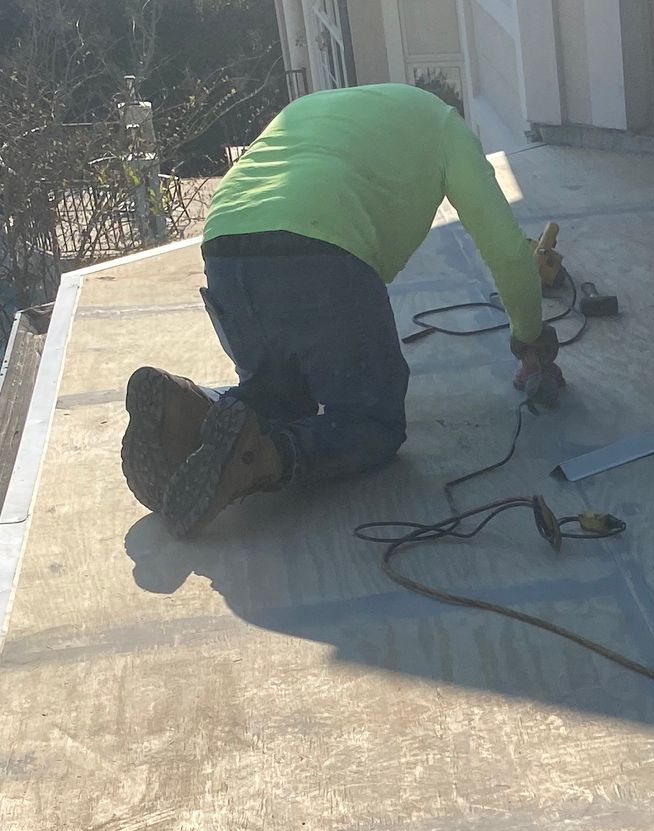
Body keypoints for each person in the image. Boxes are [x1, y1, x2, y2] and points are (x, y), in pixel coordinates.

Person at [121, 82, 557, 536]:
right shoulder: (445, 124)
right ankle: (264, 459)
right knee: (372, 420)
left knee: (280, 394)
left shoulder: (309, 107)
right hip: (320, 253)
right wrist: (529, 337)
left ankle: (191, 413)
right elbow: (508, 252)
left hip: (225, 250)